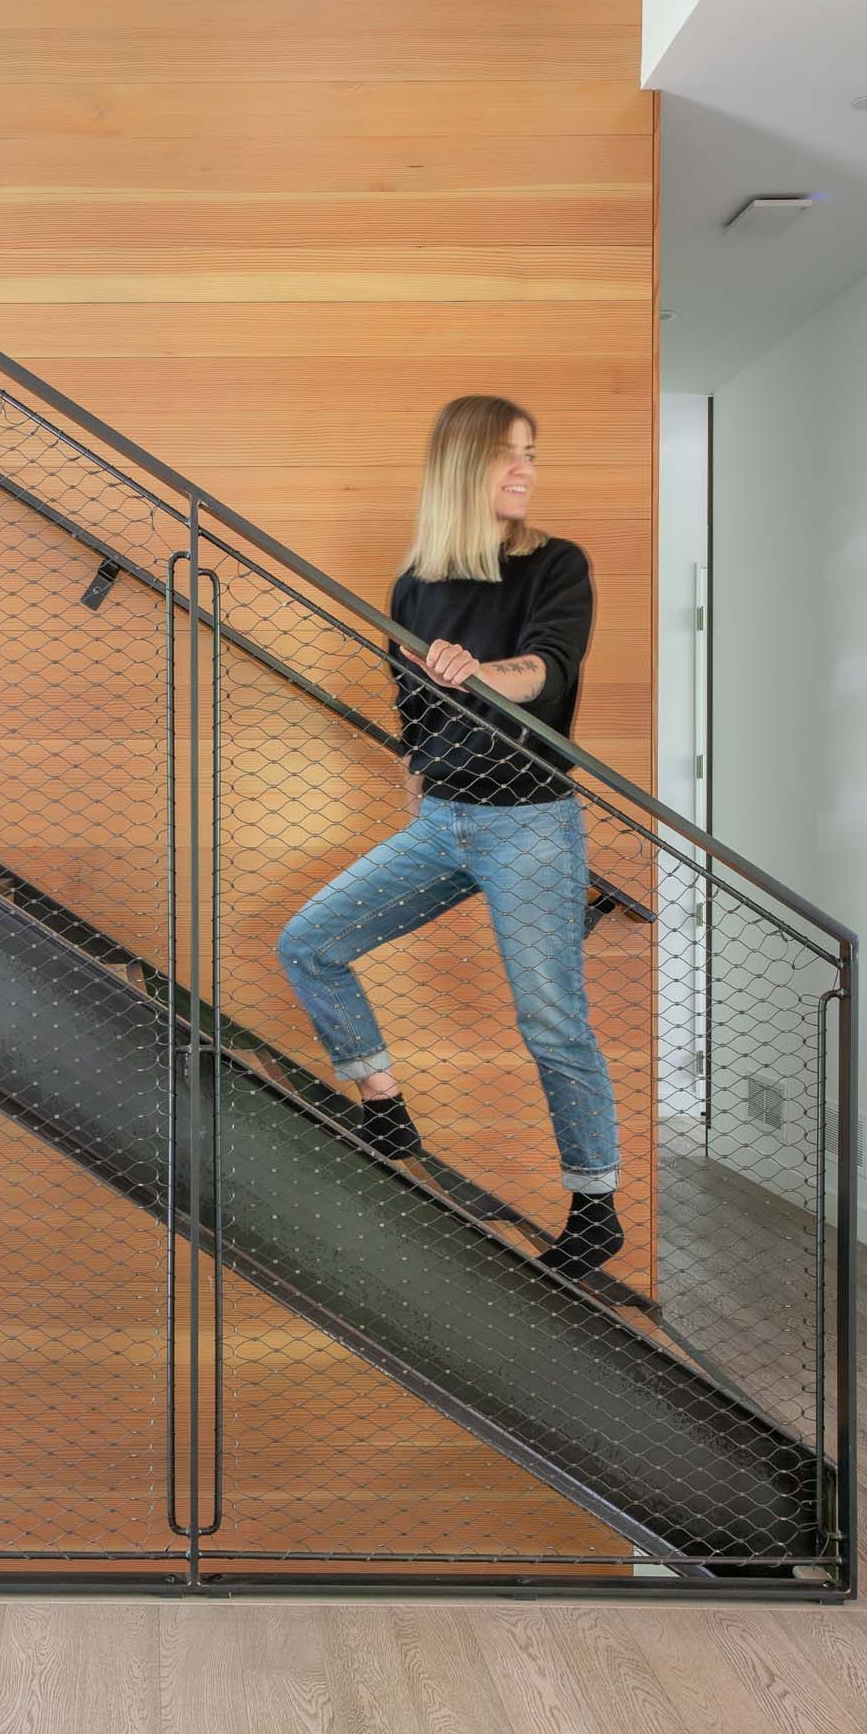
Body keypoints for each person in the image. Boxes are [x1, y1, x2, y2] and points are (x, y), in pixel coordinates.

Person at [275, 395, 622, 1278]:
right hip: (445, 822)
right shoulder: (414, 585)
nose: (525, 470)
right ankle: (383, 1104)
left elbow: (549, 670)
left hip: (531, 826)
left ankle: (594, 1204)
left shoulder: (555, 565)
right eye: (507, 455)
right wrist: (421, 772)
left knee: (551, 1021)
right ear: (462, 467)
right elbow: (412, 714)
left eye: (532, 454)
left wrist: (481, 674)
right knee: (310, 943)